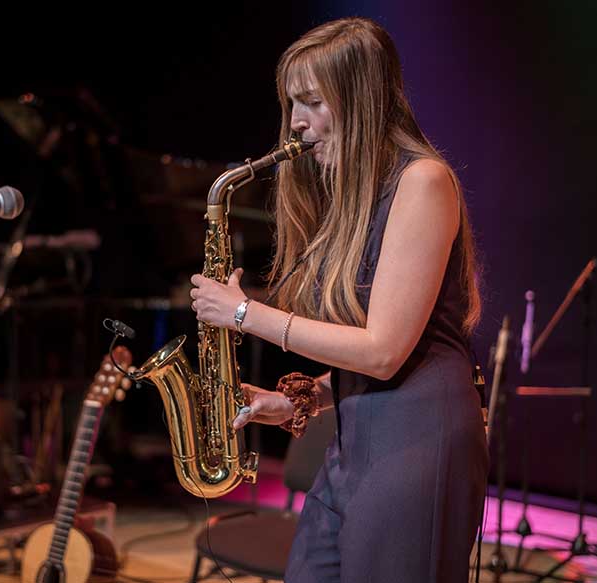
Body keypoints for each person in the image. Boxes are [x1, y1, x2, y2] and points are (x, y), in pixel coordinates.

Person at [189, 17, 488, 583]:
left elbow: (384, 352)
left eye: (312, 102)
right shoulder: (360, 195)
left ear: (362, 100)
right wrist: (300, 400)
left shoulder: (423, 182)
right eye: (292, 104)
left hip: (417, 446)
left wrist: (244, 314)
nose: (296, 124)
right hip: (358, 444)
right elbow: (374, 360)